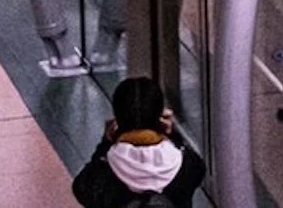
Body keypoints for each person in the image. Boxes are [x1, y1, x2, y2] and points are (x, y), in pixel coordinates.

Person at [72, 76, 207, 208]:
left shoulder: (106, 169)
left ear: (117, 119)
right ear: (160, 117)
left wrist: (105, 144)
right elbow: (199, 169)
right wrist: (174, 136)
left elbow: (82, 190)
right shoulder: (184, 163)